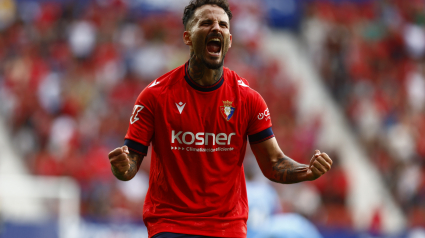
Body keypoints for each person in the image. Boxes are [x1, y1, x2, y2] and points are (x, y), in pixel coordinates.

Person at [108, 0, 333, 237]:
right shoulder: (154, 96)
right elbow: (129, 164)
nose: (216, 28)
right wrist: (122, 167)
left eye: (223, 25)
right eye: (206, 22)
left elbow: (274, 164)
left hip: (227, 227)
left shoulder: (248, 99)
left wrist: (307, 172)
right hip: (171, 224)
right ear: (187, 37)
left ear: (230, 39)